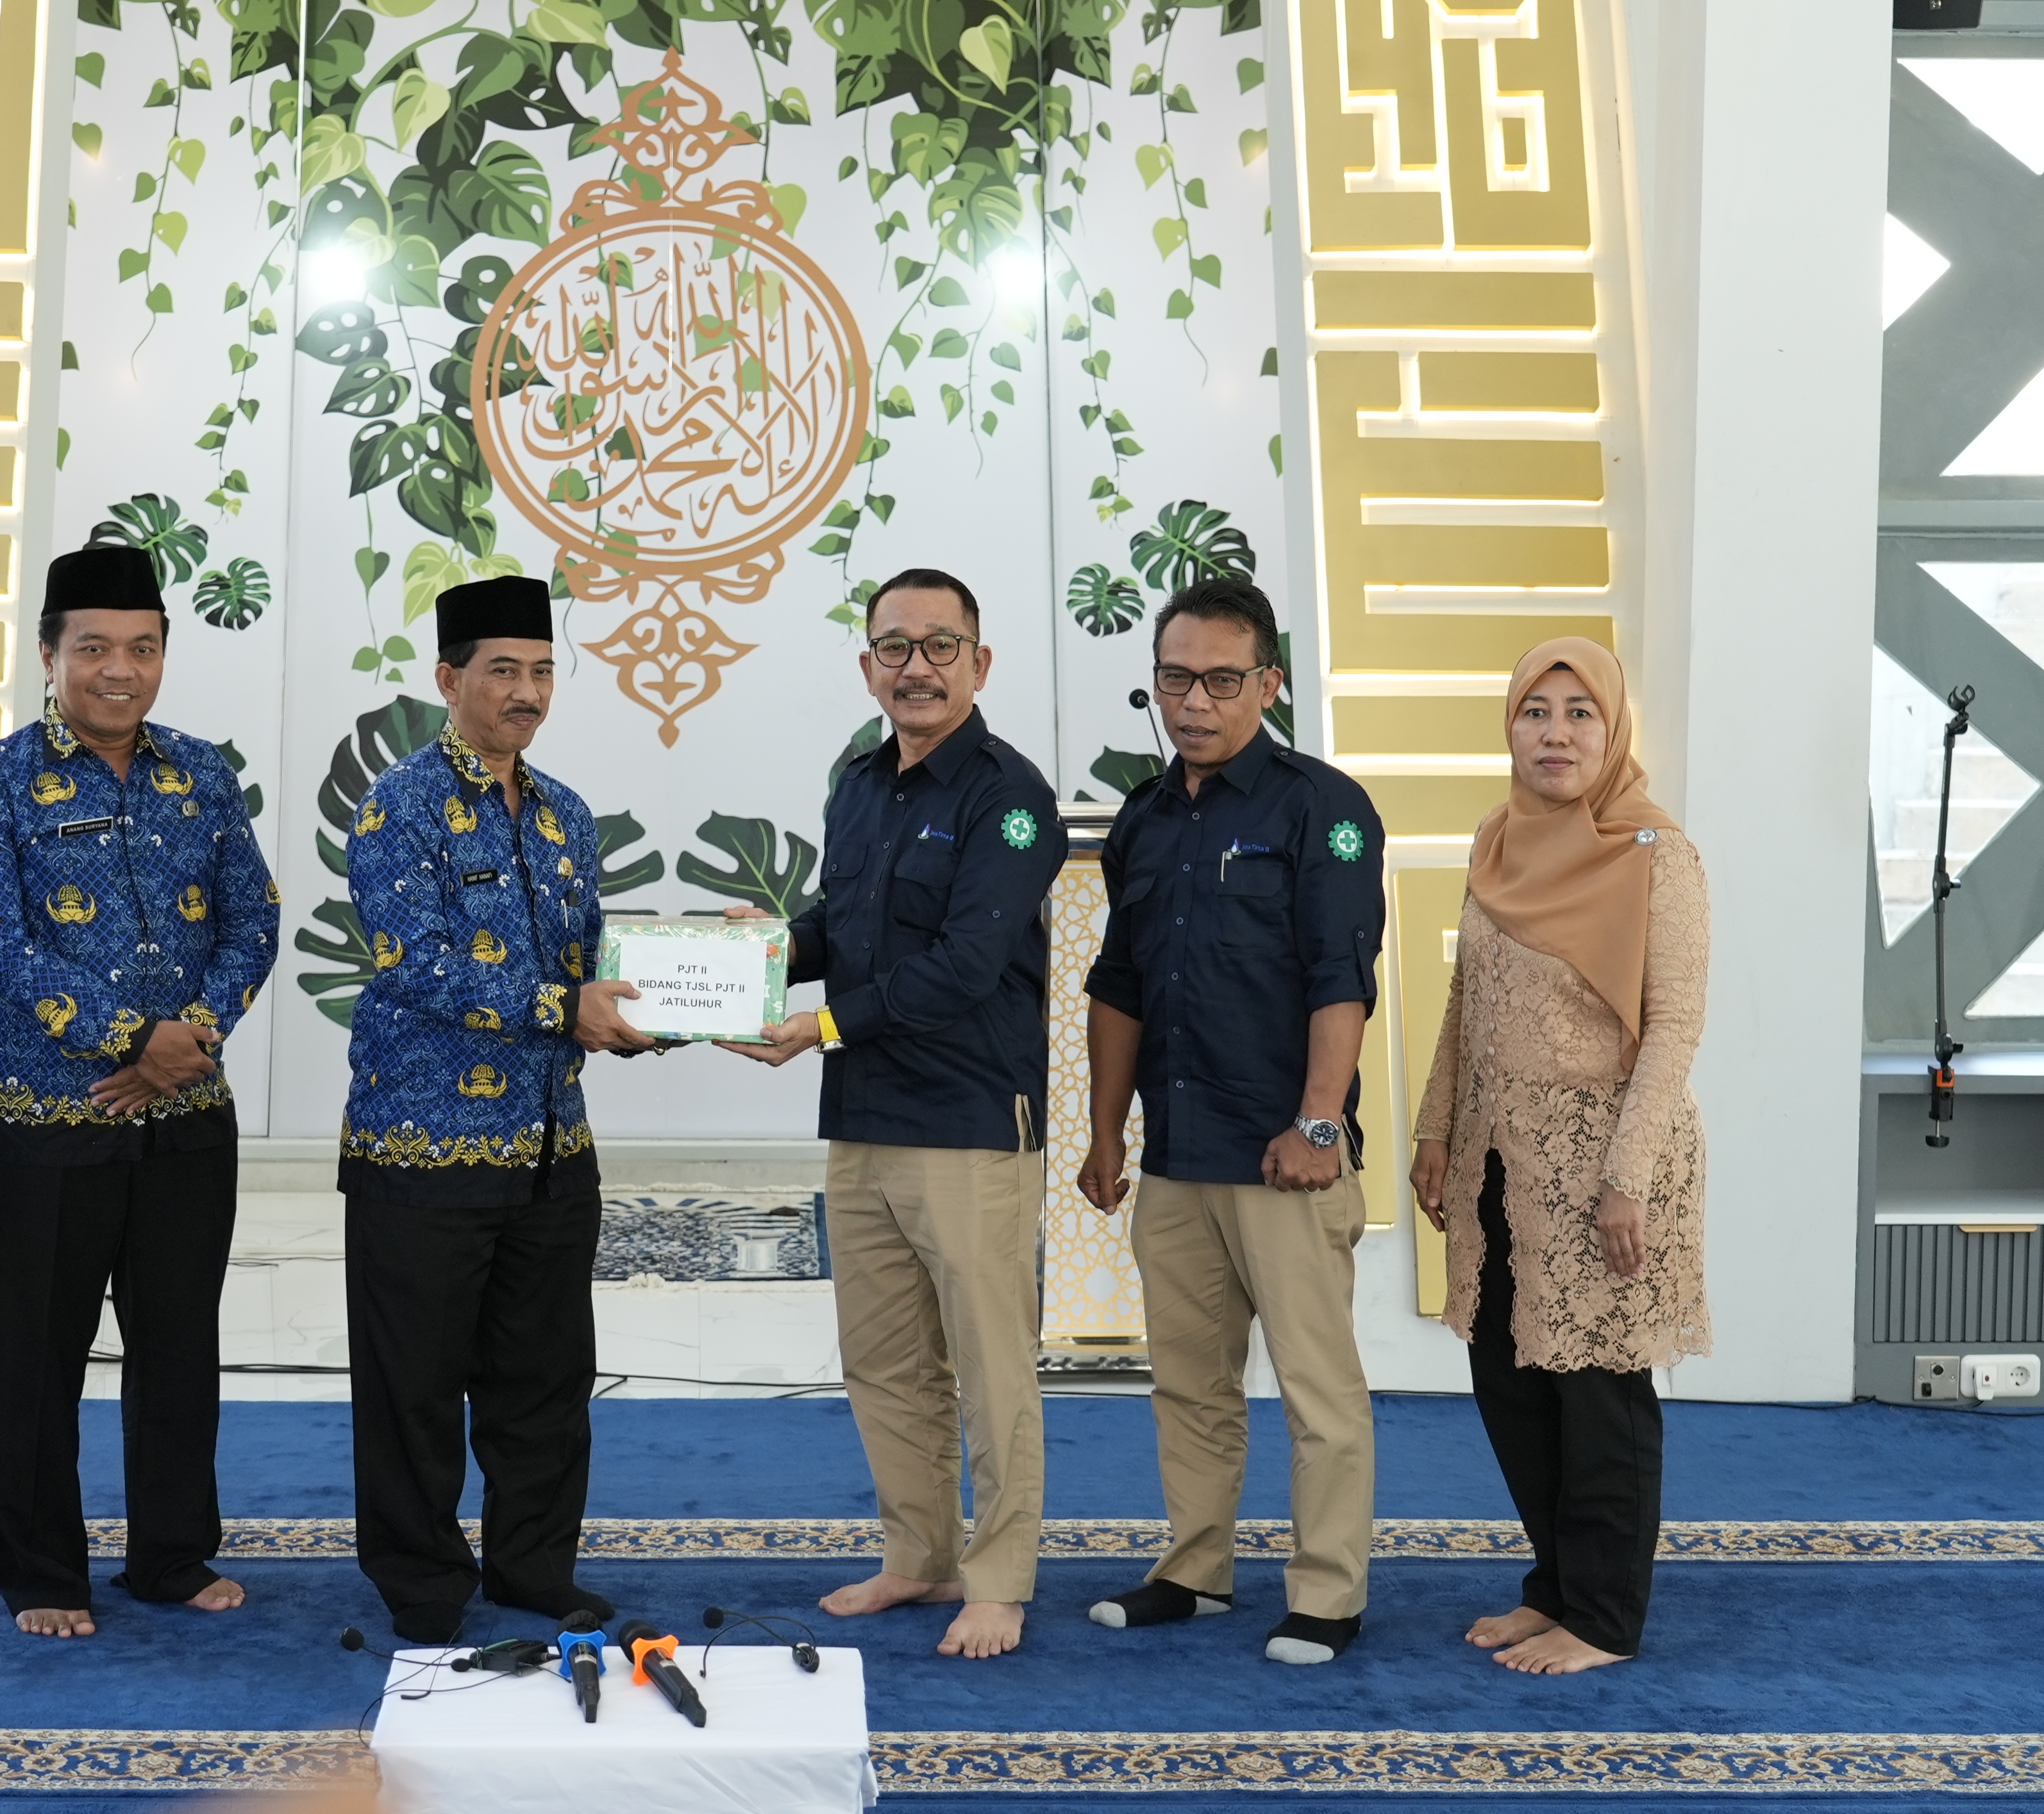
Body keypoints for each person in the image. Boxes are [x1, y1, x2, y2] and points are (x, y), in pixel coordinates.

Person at [0, 545, 280, 1638]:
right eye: (93, 648)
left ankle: (170, 1556)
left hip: (188, 1120)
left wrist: (193, 1037)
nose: (119, 670)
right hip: (47, 1124)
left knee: (178, 1349)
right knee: (41, 1359)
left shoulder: (203, 774)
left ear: (163, 654)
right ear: (48, 654)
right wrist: (136, 1038)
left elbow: (253, 917)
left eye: (141, 648)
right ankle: (41, 1571)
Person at [725, 567, 1064, 1660]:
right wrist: (765, 951)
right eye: (895, 647)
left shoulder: (1011, 799)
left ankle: (999, 1580)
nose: (917, 667)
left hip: (967, 1123)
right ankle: (921, 1557)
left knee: (991, 1366)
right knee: (884, 1361)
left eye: (940, 646)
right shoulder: (860, 784)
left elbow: (967, 964)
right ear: (869, 664)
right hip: (865, 1116)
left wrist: (822, 1025)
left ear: (980, 662)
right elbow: (844, 924)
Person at [339, 574, 657, 1645]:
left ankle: (533, 1570)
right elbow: (418, 962)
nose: (528, 692)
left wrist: (675, 993)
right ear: (449, 679)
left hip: (551, 1147)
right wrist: (566, 1006)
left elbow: (591, 960)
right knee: (415, 1387)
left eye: (543, 671)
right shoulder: (399, 806)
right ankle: (424, 1585)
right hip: (422, 1148)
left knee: (546, 1384)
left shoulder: (566, 814)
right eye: (504, 671)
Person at [1076, 575, 1386, 1667]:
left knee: (1317, 1391)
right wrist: (1107, 1132)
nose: (1194, 702)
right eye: (1175, 679)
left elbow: (1341, 976)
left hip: (1284, 1158)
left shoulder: (1322, 809)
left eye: (1219, 680)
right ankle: (1196, 1571)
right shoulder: (1145, 818)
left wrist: (1318, 1125)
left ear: (1269, 683)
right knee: (1189, 1386)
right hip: (1178, 1157)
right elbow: (1119, 985)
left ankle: (1329, 1593)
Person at [1409, 637, 1710, 1675]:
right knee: (1512, 1382)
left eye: (1581, 713)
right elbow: (1466, 1002)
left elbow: (1673, 1027)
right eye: (1536, 711)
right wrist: (1436, 1131)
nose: (1556, 734)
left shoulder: (1656, 854)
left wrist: (1625, 1178)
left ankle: (1605, 1619)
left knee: (1598, 1392)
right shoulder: (1498, 841)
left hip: (1605, 1165)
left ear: (1614, 729)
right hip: (1500, 1164)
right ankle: (1558, 1588)